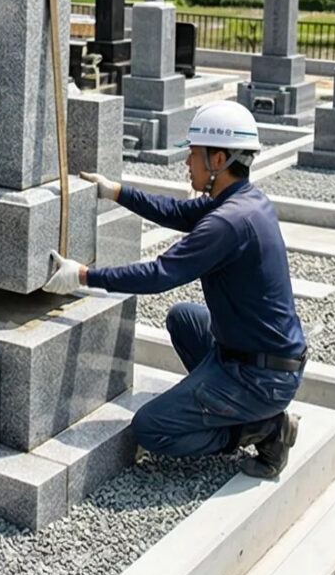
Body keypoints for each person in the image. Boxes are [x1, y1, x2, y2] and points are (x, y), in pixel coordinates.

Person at [45, 102, 303, 477]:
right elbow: (178, 212)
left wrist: (85, 276)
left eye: (193, 154)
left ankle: (264, 428)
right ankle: (216, 400)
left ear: (218, 159)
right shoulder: (243, 200)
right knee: (184, 318)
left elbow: (159, 274)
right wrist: (116, 191)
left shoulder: (229, 223)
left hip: (261, 378)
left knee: (150, 428)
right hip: (253, 355)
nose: (187, 162)